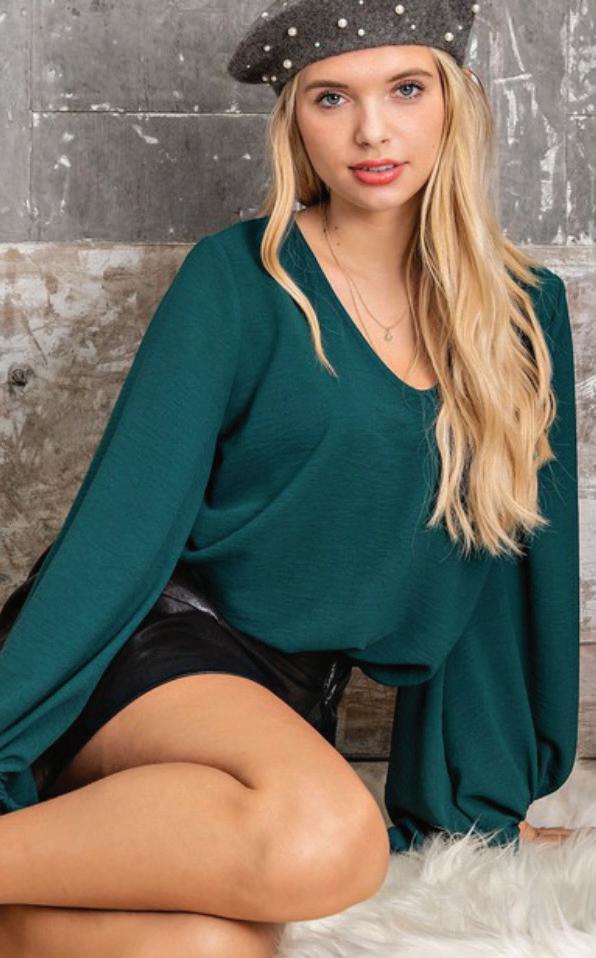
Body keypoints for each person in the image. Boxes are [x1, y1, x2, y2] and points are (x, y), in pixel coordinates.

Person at [0, 0, 581, 954]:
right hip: (152, 652)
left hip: (286, 707)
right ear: (295, 123)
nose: (372, 131)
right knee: (331, 837)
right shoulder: (237, 278)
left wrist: (480, 806)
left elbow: (504, 570)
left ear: (457, 101)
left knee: (217, 947)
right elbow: (120, 526)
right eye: (331, 98)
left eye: (405, 90)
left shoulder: (523, 313)